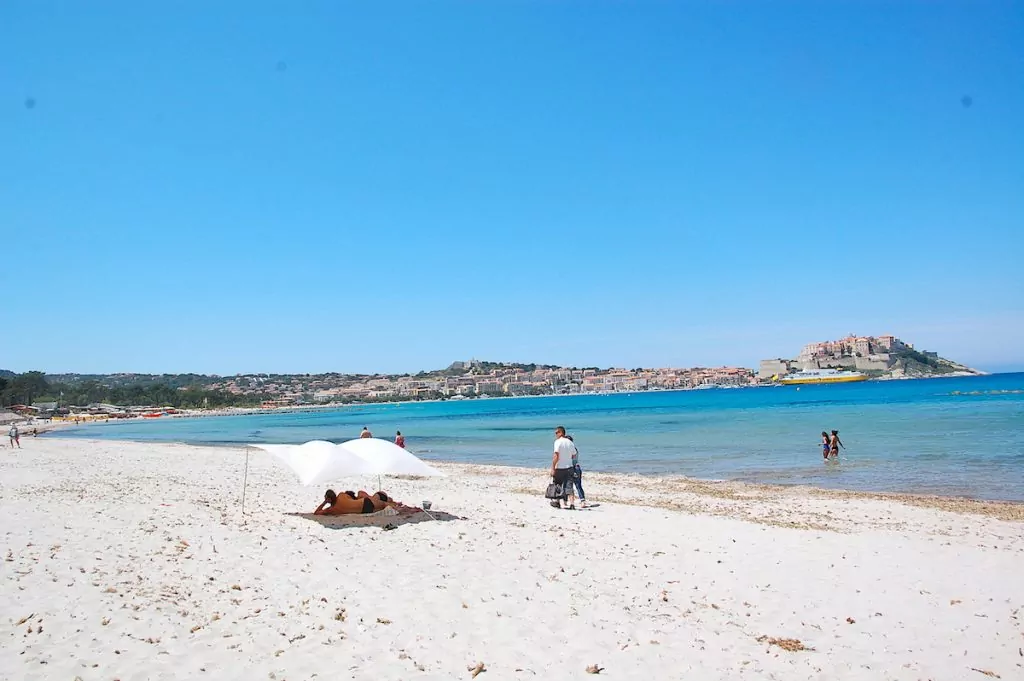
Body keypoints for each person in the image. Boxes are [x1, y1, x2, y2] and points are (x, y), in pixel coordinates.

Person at [550, 426, 577, 510]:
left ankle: (558, 502)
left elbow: (556, 455)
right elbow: (574, 454)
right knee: (569, 485)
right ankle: (572, 504)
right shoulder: (570, 442)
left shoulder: (558, 442)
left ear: (561, 432)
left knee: (558, 484)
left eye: (556, 432)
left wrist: (553, 467)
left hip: (560, 467)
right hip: (569, 466)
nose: (555, 434)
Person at [566, 434, 587, 508]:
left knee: (569, 485)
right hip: (576, 467)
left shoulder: (570, 450)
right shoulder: (574, 449)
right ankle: (582, 501)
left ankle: (569, 501)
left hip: (572, 468)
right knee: (577, 485)